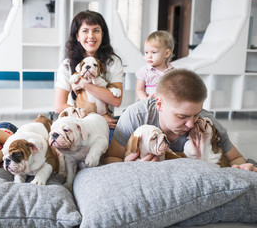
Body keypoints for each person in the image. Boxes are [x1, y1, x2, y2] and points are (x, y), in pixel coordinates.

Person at [104, 69, 257, 172]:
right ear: (159, 104)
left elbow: (236, 157)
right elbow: (112, 158)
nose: (191, 124)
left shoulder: (206, 122)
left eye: (196, 114)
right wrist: (129, 167)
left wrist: (242, 167)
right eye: (182, 116)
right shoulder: (135, 116)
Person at [54, 10, 124, 131]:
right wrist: (95, 118)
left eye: (96, 30)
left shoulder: (112, 62)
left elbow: (116, 100)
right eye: (85, 31)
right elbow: (59, 106)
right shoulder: (67, 65)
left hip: (106, 124)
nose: (91, 36)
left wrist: (84, 85)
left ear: (102, 34)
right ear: (77, 36)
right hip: (76, 123)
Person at [135, 30, 174, 100]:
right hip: (148, 104)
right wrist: (146, 100)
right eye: (146, 52)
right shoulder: (144, 71)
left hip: (166, 105)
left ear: (166, 53)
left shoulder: (172, 72)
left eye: (153, 52)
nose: (149, 56)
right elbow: (139, 90)